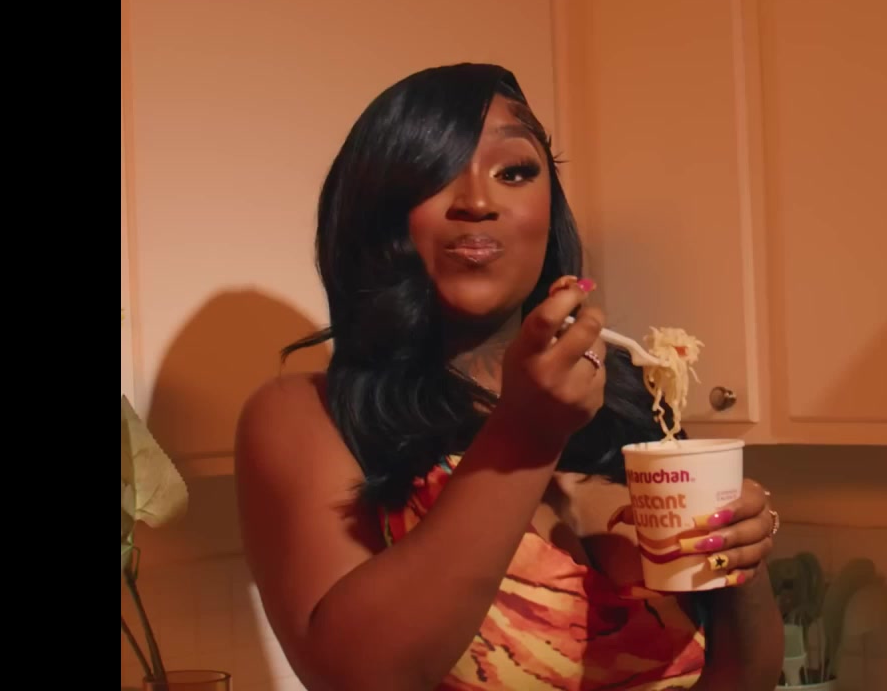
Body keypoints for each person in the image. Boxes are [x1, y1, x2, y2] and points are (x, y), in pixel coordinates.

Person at [234, 62, 784, 691]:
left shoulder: (631, 395)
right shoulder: (306, 415)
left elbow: (741, 677)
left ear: (548, 209)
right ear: (378, 212)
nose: (477, 201)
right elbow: (361, 678)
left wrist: (743, 564)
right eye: (435, 173)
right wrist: (524, 437)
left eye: (515, 171)